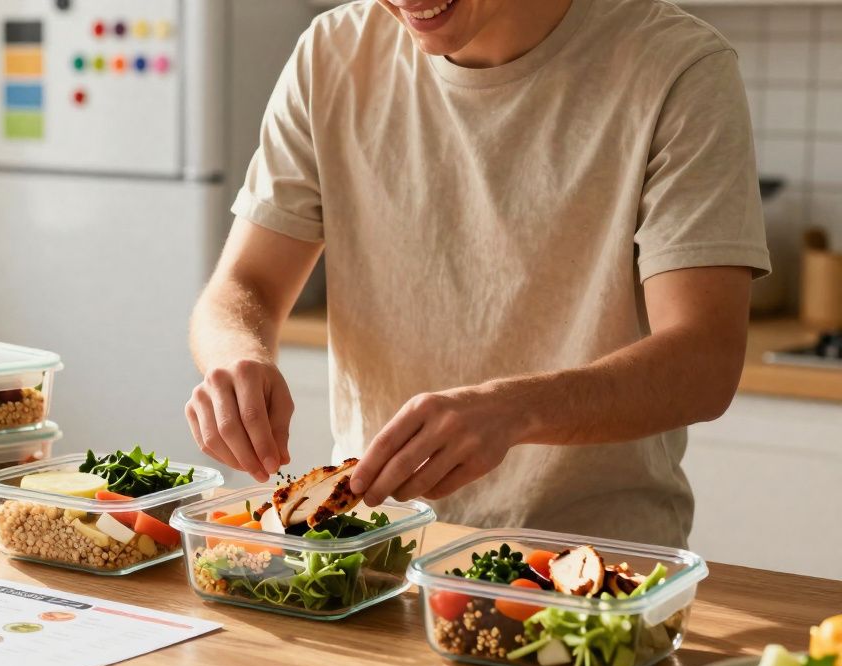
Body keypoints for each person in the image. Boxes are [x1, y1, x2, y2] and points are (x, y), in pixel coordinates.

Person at [184, 0, 771, 547]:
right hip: (375, 547)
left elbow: (704, 358)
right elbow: (245, 285)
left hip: (590, 563)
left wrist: (514, 410)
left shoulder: (677, 67)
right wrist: (238, 356)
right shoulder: (332, 54)